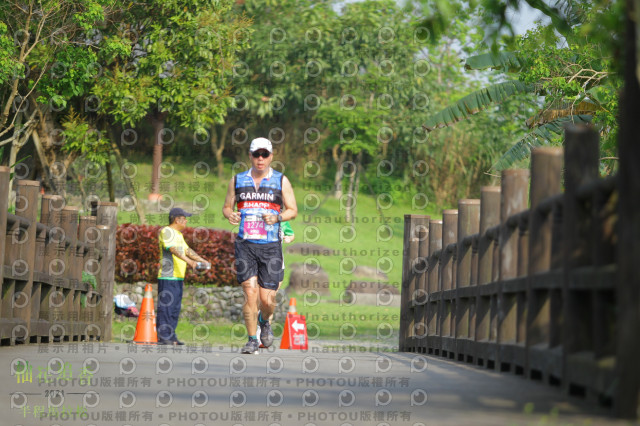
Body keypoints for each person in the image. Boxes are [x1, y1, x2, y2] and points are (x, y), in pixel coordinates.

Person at [223, 137, 298, 354]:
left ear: (271, 156)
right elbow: (227, 207)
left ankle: (264, 321)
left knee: (267, 299)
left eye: (265, 154)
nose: (261, 158)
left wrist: (278, 218)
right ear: (250, 156)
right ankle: (251, 339)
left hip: (270, 246)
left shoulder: (281, 181)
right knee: (250, 292)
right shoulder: (237, 181)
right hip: (245, 244)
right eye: (257, 154)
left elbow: (292, 210)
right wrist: (231, 215)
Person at [157, 207, 209, 345]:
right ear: (176, 219)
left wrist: (201, 260)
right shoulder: (166, 231)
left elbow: (187, 250)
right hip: (168, 276)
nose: (186, 221)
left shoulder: (178, 234)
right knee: (166, 307)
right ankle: (164, 336)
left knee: (174, 308)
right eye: (184, 218)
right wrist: (190, 262)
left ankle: (171, 336)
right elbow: (173, 249)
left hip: (178, 276)